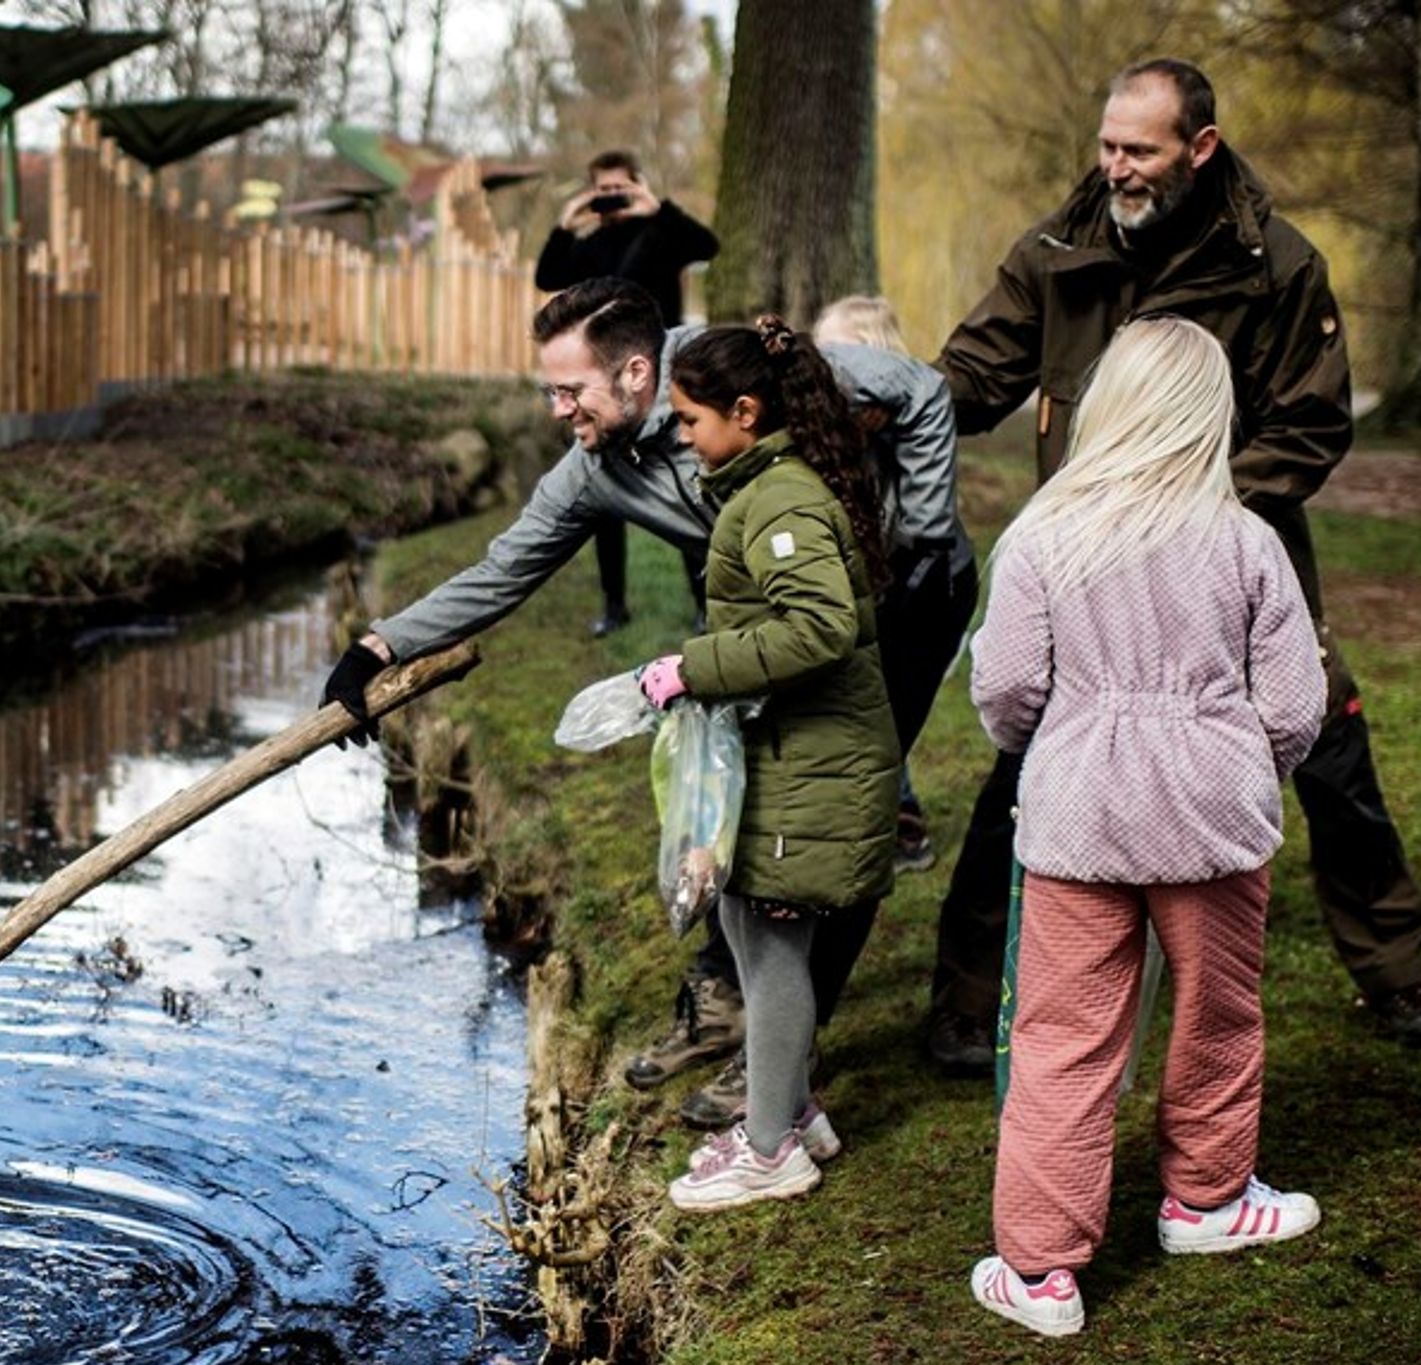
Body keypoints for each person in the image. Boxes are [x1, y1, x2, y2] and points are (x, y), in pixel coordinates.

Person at [921, 57, 1421, 1074]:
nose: (1114, 167)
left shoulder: (1278, 266)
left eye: (1138, 150)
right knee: (1026, 760)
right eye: (1106, 145)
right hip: (1084, 564)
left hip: (1234, 553)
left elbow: (1309, 426)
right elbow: (970, 377)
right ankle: (962, 993)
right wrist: (868, 402)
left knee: (1329, 744)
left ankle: (1393, 968)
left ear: (1198, 149)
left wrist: (1193, 517)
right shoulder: (1055, 251)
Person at [321, 276, 952, 1129]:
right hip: (772, 625)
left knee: (831, 827)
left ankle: (781, 1068)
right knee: (752, 814)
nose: (555, 409)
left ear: (632, 372)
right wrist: (379, 644)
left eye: (567, 389)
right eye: (548, 390)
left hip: (899, 600)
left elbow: (922, 390)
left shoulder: (738, 368)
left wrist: (918, 534)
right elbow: (502, 571)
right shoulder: (593, 470)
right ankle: (732, 1005)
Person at [966, 316, 1327, 1338]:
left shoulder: (1042, 533)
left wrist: (1055, 740)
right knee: (1218, 1013)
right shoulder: (1246, 541)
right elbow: (1296, 704)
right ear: (1208, 416)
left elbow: (1005, 687)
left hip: (1078, 812)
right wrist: (1246, 764)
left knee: (1061, 1036)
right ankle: (1206, 1201)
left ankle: (1038, 1271)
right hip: (1213, 814)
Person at [640, 318, 900, 1211]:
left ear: (744, 412)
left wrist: (692, 669)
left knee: (775, 946)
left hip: (812, 765)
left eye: (687, 418)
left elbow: (819, 628)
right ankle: (794, 1113)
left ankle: (768, 1151)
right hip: (789, 757)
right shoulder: (762, 490)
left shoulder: (780, 501)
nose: (678, 435)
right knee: (751, 933)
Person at [812, 296, 976, 876]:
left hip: (924, 588)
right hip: (867, 590)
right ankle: (887, 810)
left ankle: (895, 816)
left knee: (883, 707)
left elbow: (918, 527)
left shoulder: (907, 433)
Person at [535, 151, 722, 638]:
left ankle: (705, 604)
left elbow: (708, 245)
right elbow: (547, 276)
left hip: (662, 371)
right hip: (601, 379)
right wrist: (566, 221)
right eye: (603, 190)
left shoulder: (662, 233)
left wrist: (656, 207)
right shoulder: (590, 246)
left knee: (686, 479)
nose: (612, 197)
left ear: (637, 185)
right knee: (601, 489)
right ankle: (614, 604)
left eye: (620, 187)